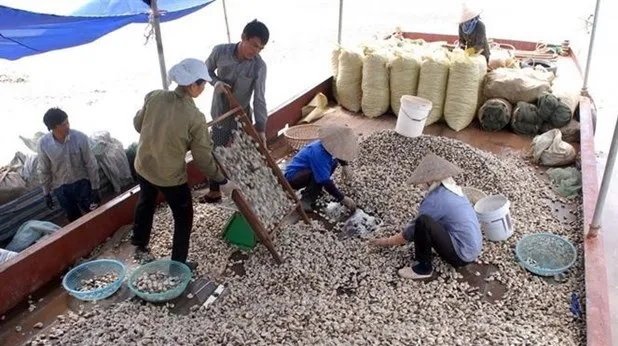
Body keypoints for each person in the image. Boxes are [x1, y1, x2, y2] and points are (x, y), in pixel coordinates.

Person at [131, 58, 236, 270]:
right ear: (192, 85)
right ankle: (178, 264)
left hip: (143, 165)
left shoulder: (154, 96)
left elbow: (137, 124)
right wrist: (222, 180)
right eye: (202, 84)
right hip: (170, 176)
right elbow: (202, 159)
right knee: (183, 216)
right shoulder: (195, 117)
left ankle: (140, 245)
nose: (204, 88)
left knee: (146, 202)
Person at [369, 153, 482, 280]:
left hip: (461, 255)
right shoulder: (454, 190)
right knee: (427, 221)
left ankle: (423, 268)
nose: (421, 185)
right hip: (473, 248)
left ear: (430, 181)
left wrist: (388, 242)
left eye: (423, 182)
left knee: (423, 222)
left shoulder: (436, 200)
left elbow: (411, 231)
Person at [201, 19, 270, 203]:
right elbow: (205, 70)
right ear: (243, 38)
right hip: (220, 114)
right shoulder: (220, 52)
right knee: (216, 150)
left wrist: (261, 128)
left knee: (245, 151)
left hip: (241, 116)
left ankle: (251, 193)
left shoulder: (259, 66)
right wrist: (216, 83)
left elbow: (259, 98)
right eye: (254, 45)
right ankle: (215, 191)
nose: (255, 51)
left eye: (260, 48)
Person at [38, 108, 101, 222]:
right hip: (61, 189)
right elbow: (44, 170)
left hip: (82, 184)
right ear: (53, 127)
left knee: (94, 215)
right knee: (74, 220)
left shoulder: (80, 138)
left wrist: (95, 188)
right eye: (63, 125)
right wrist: (46, 193)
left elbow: (90, 163)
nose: (68, 126)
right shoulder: (43, 144)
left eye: (67, 122)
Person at [284, 125, 358, 213]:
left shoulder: (327, 145)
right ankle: (306, 200)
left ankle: (315, 189)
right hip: (294, 177)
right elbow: (325, 180)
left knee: (332, 163)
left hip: (306, 171)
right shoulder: (318, 152)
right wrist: (342, 198)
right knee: (320, 175)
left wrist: (345, 165)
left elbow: (337, 152)